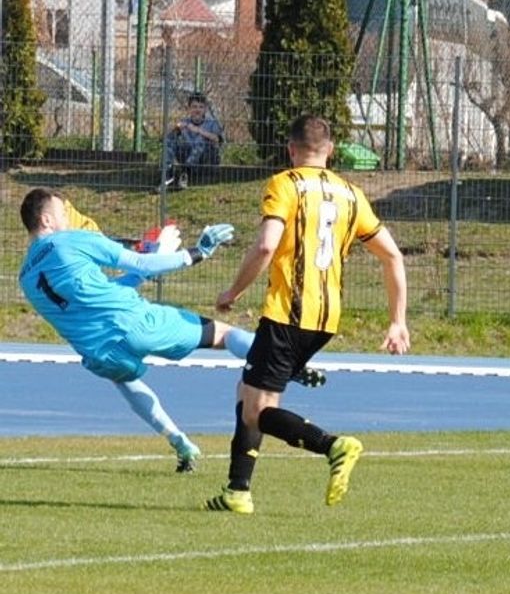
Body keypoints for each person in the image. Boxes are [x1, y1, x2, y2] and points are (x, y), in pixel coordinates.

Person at [210, 114, 410, 515]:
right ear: (331, 151)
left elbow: (267, 246)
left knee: (257, 410)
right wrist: (397, 320)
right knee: (251, 396)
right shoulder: (352, 193)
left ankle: (332, 445)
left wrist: (233, 291)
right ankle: (237, 490)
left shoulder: (285, 183)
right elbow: (392, 256)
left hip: (286, 314)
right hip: (325, 320)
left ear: (290, 149)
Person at [19, 188, 241, 471]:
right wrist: (197, 253)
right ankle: (282, 361)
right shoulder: (69, 240)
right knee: (223, 333)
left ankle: (180, 442)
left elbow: (97, 295)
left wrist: (141, 271)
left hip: (100, 353)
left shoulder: (25, 275)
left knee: (126, 382)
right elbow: (139, 261)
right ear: (47, 220)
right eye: (63, 214)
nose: (67, 219)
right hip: (133, 325)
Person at [161, 92, 224, 190]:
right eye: (194, 107)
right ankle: (167, 175)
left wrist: (198, 130)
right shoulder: (185, 122)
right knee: (170, 141)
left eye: (200, 107)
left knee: (201, 140)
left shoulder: (211, 123)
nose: (197, 110)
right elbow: (167, 138)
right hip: (187, 155)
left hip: (206, 158)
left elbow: (218, 140)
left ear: (205, 109)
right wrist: (175, 129)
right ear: (189, 109)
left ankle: (185, 173)